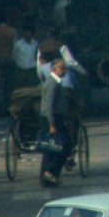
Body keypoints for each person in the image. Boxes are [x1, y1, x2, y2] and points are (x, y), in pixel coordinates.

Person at [39, 59, 71, 187]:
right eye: (62, 68)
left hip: (54, 118)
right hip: (52, 119)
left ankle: (48, 177)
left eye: (65, 68)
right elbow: (49, 105)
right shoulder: (52, 83)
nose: (64, 71)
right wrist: (52, 124)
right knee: (66, 144)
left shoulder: (56, 82)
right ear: (54, 69)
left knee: (50, 149)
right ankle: (50, 171)